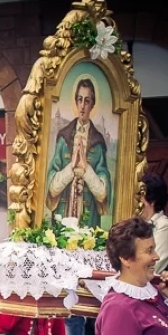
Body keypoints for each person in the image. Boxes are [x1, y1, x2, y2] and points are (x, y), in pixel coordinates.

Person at [46, 78, 112, 227]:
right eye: (80, 100)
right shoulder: (63, 137)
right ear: (75, 102)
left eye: (87, 101)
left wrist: (86, 169)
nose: (82, 106)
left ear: (92, 105)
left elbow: (103, 193)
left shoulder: (98, 141)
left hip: (88, 220)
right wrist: (71, 167)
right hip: (63, 214)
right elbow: (51, 187)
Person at [141, 173, 168, 274]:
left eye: (139, 196)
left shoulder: (164, 226)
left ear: (152, 200)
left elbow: (154, 266)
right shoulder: (137, 222)